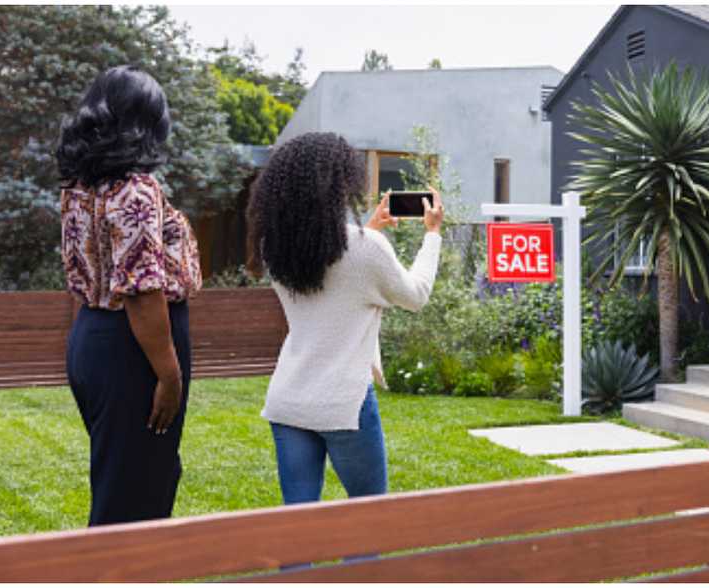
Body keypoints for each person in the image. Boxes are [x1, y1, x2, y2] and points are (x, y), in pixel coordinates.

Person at [246, 132, 444, 504]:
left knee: (298, 527)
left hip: (289, 399)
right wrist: (432, 235)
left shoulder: (274, 248)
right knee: (368, 520)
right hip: (343, 403)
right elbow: (415, 295)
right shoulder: (365, 249)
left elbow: (333, 274)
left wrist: (368, 231)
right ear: (340, 183)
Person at [57, 65, 199, 526]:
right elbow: (141, 289)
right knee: (135, 502)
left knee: (126, 480)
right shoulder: (135, 188)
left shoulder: (79, 185)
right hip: (136, 348)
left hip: (94, 337)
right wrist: (169, 375)